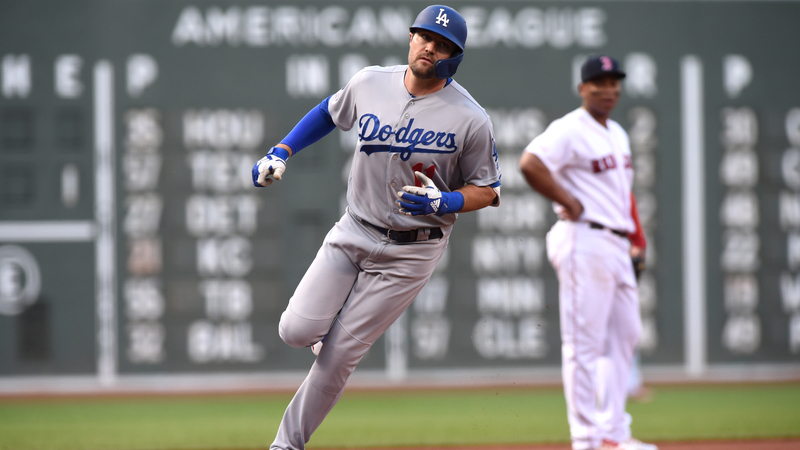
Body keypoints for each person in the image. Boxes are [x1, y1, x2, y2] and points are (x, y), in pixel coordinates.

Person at [251, 5, 501, 450]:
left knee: (339, 357)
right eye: (425, 37)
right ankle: (326, 333)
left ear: (455, 57)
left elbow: (489, 190)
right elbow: (329, 112)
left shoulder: (471, 118)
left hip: (412, 250)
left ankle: (285, 445)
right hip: (355, 230)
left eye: (443, 45)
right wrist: (282, 150)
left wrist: (447, 200)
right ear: (411, 37)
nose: (430, 47)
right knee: (294, 331)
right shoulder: (370, 82)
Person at [519, 55, 654, 450]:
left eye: (614, 83)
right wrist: (568, 200)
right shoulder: (569, 129)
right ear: (583, 88)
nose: (609, 90)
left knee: (626, 335)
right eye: (600, 83)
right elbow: (530, 163)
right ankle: (585, 438)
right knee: (584, 344)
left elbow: (622, 193)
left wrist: (637, 240)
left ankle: (614, 434)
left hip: (615, 241)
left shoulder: (617, 133)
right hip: (583, 237)